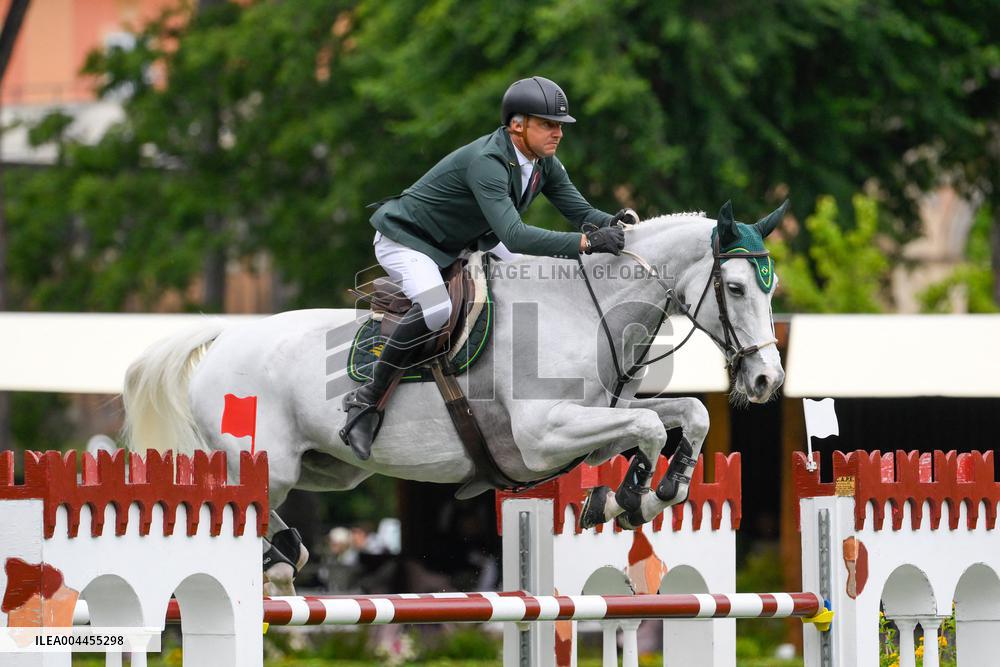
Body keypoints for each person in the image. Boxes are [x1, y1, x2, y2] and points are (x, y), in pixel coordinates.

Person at [341, 76, 637, 460]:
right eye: (548, 124)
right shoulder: (489, 162)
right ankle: (367, 400)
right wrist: (585, 242)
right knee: (437, 309)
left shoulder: (544, 164)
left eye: (560, 125)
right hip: (409, 241)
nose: (558, 133)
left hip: (458, 241)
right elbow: (514, 235)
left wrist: (621, 226)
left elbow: (582, 214)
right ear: (517, 124)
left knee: (534, 276)